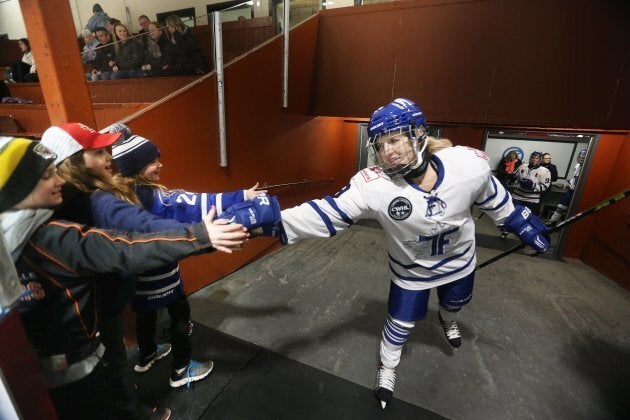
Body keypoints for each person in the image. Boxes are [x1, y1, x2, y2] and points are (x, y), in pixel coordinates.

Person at [277, 98, 550, 409]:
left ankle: (447, 320)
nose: (387, 152)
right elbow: (324, 213)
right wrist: (271, 220)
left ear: (419, 133)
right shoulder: (374, 185)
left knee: (454, 304)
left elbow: (496, 201)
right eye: (380, 145)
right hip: (412, 273)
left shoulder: (467, 165)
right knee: (400, 324)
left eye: (394, 140)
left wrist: (523, 225)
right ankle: (388, 367)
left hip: (459, 263)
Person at [0, 137, 248, 420]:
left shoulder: (21, 228)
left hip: (51, 364)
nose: (58, 178)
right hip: (78, 363)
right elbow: (125, 245)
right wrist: (199, 236)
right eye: (47, 175)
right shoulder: (55, 235)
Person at [111, 134, 266, 387]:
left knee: (144, 315)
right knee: (180, 316)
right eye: (152, 161)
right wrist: (244, 195)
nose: (160, 164)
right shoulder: (158, 197)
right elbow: (194, 202)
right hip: (163, 276)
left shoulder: (116, 199)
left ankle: (147, 355)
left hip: (137, 279)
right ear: (136, 168)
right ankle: (181, 370)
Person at [547, 149, 586, 226]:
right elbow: (575, 177)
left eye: (583, 157)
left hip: (579, 191)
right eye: (580, 157)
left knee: (576, 208)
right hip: (571, 190)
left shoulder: (587, 167)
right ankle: (553, 221)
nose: (581, 158)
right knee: (561, 205)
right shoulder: (577, 166)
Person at [511, 151, 551, 216]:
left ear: (540, 160)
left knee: (528, 218)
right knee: (514, 216)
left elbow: (545, 186)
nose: (534, 160)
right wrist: (513, 177)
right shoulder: (523, 166)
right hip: (517, 196)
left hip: (532, 199)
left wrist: (533, 186)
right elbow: (516, 177)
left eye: (537, 158)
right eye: (532, 157)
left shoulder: (545, 171)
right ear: (530, 158)